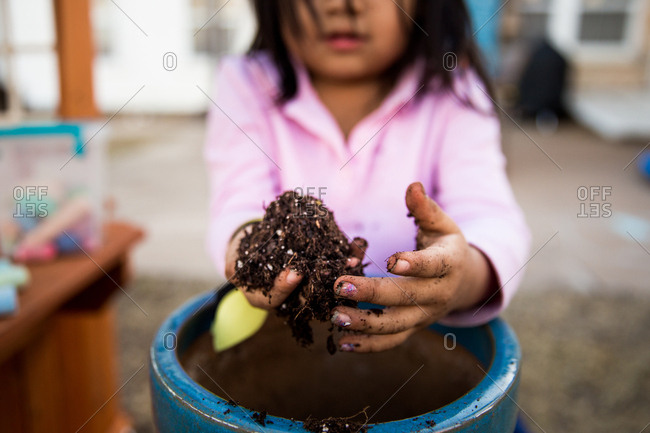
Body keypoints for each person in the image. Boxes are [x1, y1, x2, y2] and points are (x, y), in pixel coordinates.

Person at [205, 0, 530, 353]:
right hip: (283, 338)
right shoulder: (246, 84)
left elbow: (492, 221)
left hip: (425, 342)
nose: (346, 6)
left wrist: (463, 275)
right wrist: (246, 247)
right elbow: (237, 202)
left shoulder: (454, 90)